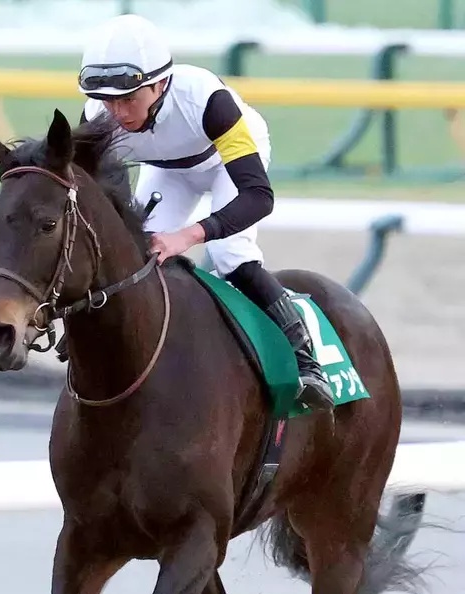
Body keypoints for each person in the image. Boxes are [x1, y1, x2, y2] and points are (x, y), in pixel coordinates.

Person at [78, 14, 334, 412]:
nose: (119, 113)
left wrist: (189, 235)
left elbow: (258, 197)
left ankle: (306, 361)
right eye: (109, 100)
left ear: (160, 83)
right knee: (139, 254)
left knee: (232, 256)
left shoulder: (209, 101)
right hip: (168, 168)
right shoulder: (98, 117)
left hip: (226, 163)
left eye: (129, 99)